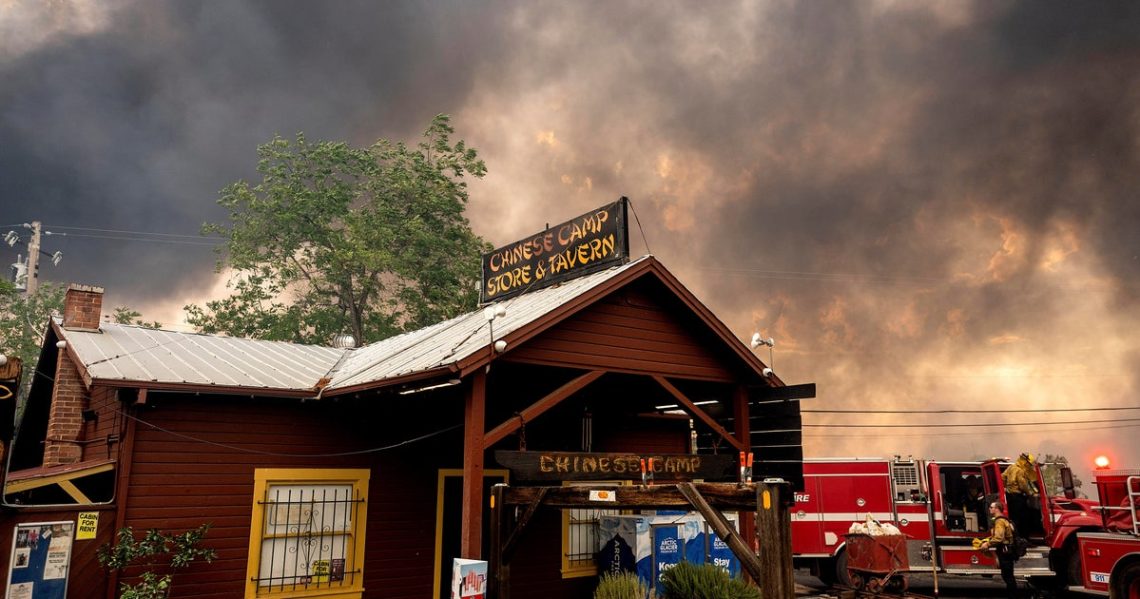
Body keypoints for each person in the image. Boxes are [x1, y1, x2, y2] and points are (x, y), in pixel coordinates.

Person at [980, 501, 1018, 598]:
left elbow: (999, 538)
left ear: (997, 509)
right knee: (1008, 575)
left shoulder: (999, 521)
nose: (989, 509)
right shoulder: (1004, 519)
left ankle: (1013, 596)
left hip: (1005, 551)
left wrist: (987, 544)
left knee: (1007, 576)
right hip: (1007, 550)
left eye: (991, 507)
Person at [1002, 453, 1039, 535]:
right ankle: (1025, 539)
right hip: (1018, 498)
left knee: (1014, 518)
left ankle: (1016, 537)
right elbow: (1023, 485)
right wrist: (1029, 493)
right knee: (1025, 518)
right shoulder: (1020, 470)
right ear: (1025, 462)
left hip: (1010, 497)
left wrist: (1007, 487)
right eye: (1029, 464)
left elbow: (1002, 477)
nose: (1029, 466)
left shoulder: (1011, 467)